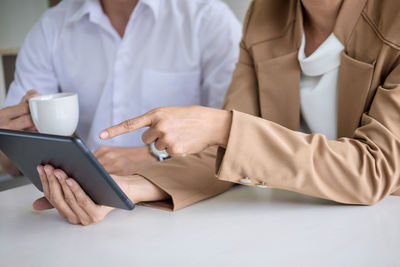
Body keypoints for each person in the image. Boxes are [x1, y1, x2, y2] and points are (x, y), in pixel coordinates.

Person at [35, 0, 400, 226]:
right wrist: (127, 189)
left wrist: (223, 125)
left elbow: (374, 170)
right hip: (298, 219)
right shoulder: (265, 12)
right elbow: (229, 153)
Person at [2, 0, 242, 175]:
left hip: (184, 198)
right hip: (84, 202)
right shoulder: (51, 27)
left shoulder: (209, 19)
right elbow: (11, 164)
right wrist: (12, 144)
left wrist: (156, 156)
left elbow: (236, 137)